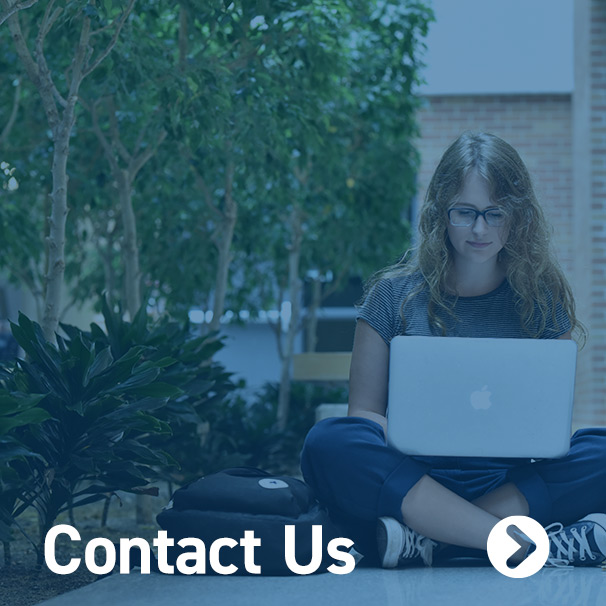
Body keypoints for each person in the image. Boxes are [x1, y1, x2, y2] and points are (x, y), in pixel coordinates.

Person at [300, 131, 606, 569]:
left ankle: (431, 540)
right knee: (328, 442)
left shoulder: (542, 301)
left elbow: (551, 425)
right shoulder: (390, 296)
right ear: (440, 214)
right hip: (412, 477)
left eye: (494, 213)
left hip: (507, 478)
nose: (479, 229)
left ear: (518, 218)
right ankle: (518, 543)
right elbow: (363, 413)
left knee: (600, 451)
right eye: (465, 212)